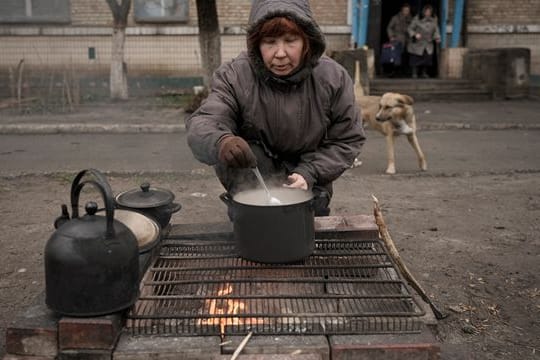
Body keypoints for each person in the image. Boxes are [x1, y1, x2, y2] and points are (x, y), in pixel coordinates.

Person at [186, 0, 365, 217]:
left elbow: (347, 139)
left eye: (291, 41)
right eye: (269, 42)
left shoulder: (333, 78)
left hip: (310, 182)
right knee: (256, 228)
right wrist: (220, 142)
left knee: (303, 231)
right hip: (252, 181)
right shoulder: (234, 76)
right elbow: (204, 122)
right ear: (256, 44)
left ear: (307, 41)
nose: (280, 53)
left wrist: (310, 172)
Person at [407, 4, 441, 78]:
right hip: (418, 42)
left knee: (427, 58)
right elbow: (410, 28)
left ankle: (424, 73)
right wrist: (415, 34)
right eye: (426, 11)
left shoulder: (434, 20)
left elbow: (436, 30)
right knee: (416, 58)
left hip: (428, 42)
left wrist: (437, 37)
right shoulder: (417, 19)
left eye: (429, 12)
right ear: (423, 12)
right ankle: (414, 72)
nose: (428, 13)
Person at [386, 3, 412, 76]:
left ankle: (405, 72)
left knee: (406, 56)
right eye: (405, 10)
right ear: (402, 10)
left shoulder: (411, 18)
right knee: (396, 56)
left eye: (408, 10)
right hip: (397, 39)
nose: (406, 12)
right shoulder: (396, 18)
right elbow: (389, 27)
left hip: (407, 40)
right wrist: (391, 36)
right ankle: (394, 72)